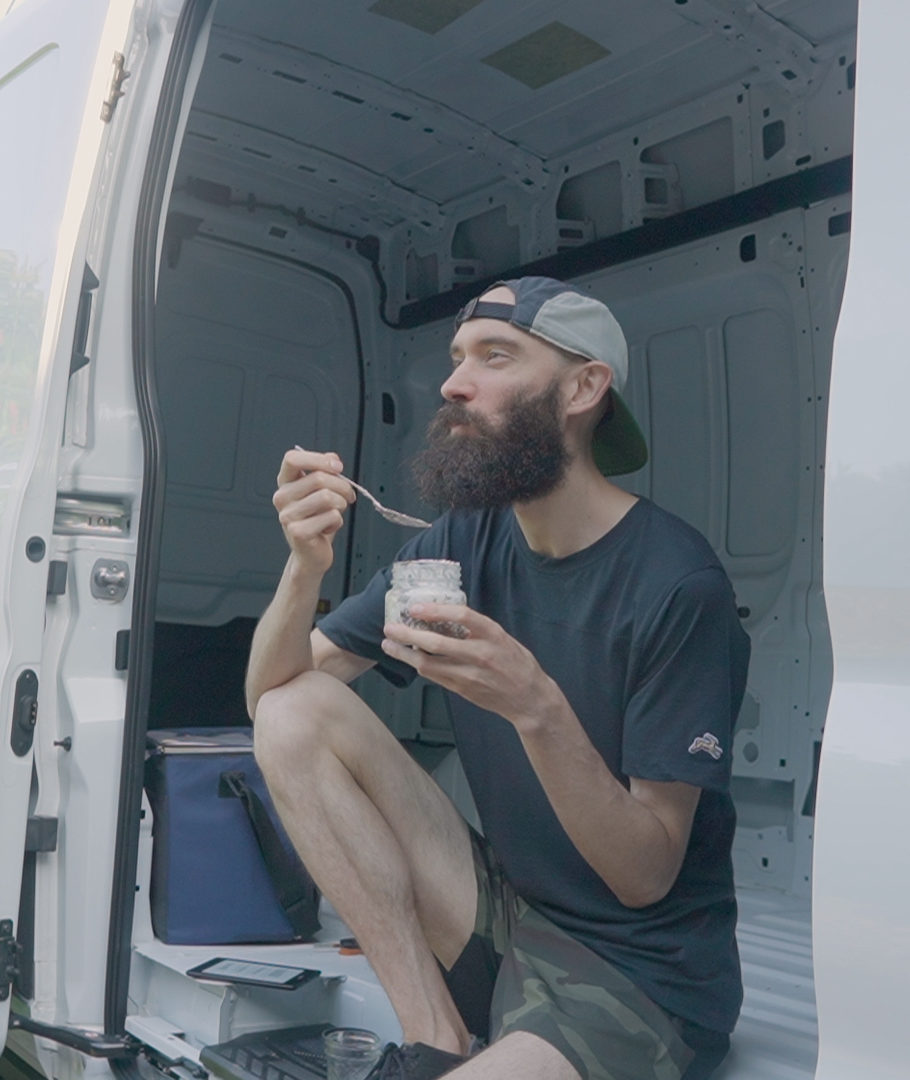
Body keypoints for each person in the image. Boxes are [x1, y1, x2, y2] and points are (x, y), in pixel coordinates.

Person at [244, 276, 751, 1080]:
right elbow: (274, 693)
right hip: (513, 914)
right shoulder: (463, 541)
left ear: (584, 387)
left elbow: (647, 876)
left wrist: (536, 707)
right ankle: (433, 1040)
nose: (452, 382)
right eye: (455, 358)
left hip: (638, 975)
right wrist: (304, 568)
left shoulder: (677, 584)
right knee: (293, 714)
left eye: (495, 356)